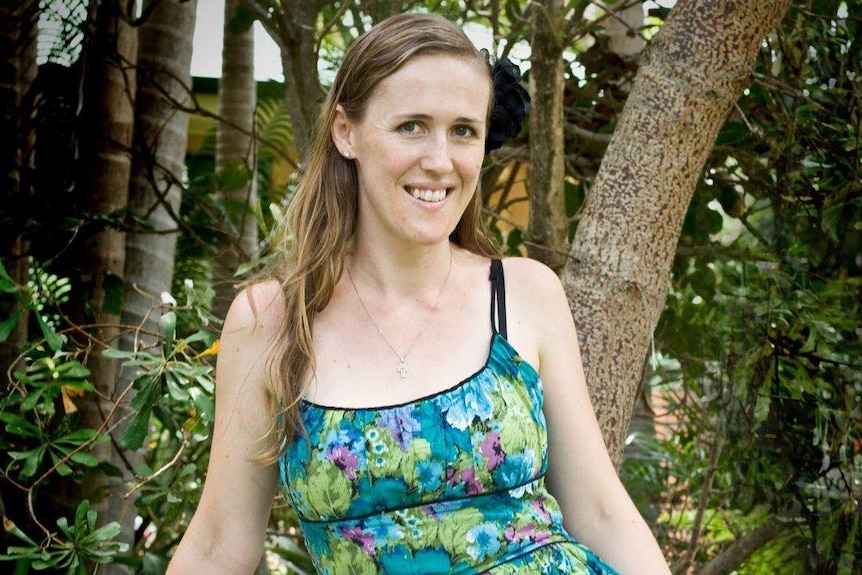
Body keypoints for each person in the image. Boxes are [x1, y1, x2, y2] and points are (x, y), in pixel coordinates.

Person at [166, 12, 671, 575]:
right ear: (346, 132)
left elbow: (600, 512)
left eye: (463, 131)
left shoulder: (523, 293)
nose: (440, 160)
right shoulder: (272, 322)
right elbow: (218, 545)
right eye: (411, 126)